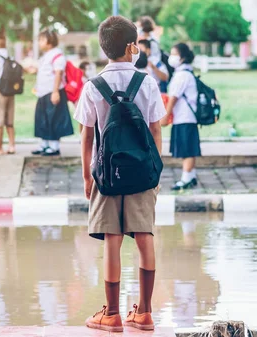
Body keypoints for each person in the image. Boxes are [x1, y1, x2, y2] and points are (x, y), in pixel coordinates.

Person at [74, 16, 165, 333]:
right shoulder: (148, 83)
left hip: (106, 172)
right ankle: (145, 313)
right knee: (144, 236)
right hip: (142, 171)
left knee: (111, 238)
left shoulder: (92, 86)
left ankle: (111, 314)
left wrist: (88, 176)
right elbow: (155, 129)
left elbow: (87, 136)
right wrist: (155, 171)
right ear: (131, 47)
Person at [161, 43, 200, 191]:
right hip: (185, 117)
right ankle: (191, 176)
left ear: (182, 57)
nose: (171, 57)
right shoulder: (185, 73)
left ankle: (186, 179)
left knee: (187, 149)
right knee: (187, 147)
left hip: (185, 117)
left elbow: (173, 98)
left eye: (174, 54)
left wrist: (165, 116)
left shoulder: (182, 75)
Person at [31, 29, 74, 157]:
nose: (39, 42)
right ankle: (44, 144)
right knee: (42, 118)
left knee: (54, 119)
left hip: (53, 91)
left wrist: (55, 92)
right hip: (43, 93)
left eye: (41, 40)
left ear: (49, 41)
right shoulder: (46, 56)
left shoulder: (57, 55)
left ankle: (54, 146)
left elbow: (58, 73)